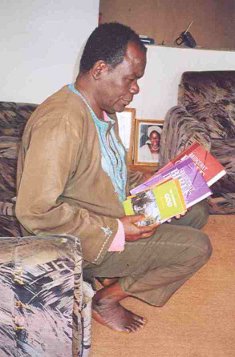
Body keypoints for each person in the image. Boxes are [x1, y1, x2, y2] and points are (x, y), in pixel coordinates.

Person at [16, 22, 212, 334]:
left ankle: (108, 276)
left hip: (107, 210)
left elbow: (111, 173)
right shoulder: (61, 123)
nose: (135, 88)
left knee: (197, 209)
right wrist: (117, 228)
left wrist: (165, 188)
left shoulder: (102, 113)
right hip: (84, 238)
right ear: (100, 69)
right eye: (131, 79)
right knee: (197, 247)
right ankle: (107, 297)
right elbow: (34, 212)